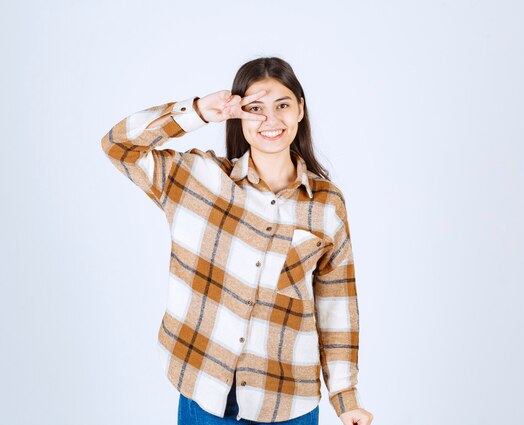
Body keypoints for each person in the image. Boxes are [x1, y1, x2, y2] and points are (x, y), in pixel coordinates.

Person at [100, 57, 374, 425]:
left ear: (300, 110)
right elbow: (119, 145)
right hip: (205, 394)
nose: (270, 120)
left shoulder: (326, 204)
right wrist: (197, 111)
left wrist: (345, 397)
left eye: (282, 106)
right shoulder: (198, 179)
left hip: (289, 402)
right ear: (238, 115)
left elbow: (336, 305)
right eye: (255, 108)